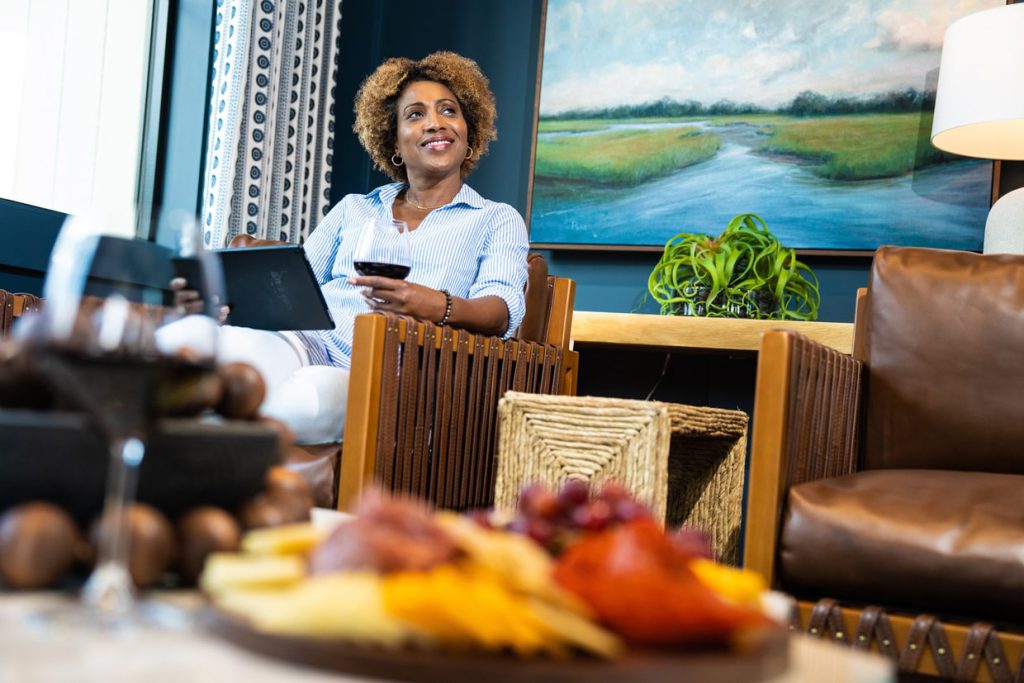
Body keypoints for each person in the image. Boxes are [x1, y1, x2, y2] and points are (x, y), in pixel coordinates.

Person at [192, 51, 528, 443]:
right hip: (308, 345)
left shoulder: (495, 218)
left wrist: (435, 304)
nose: (436, 123)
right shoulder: (355, 208)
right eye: (416, 114)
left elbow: (503, 311)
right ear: (394, 142)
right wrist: (237, 302)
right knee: (215, 354)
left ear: (469, 132)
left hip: (385, 374)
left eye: (449, 111)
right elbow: (300, 289)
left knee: (305, 399)